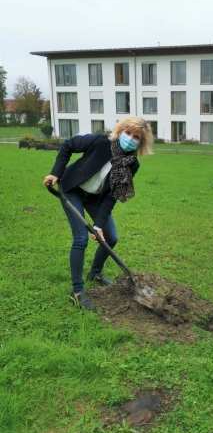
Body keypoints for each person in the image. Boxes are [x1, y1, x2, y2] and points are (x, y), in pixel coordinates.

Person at [44, 117, 153, 310]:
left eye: (136, 137)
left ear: (141, 142)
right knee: (81, 239)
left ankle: (95, 273)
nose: (130, 138)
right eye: (128, 133)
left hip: (95, 198)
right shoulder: (100, 142)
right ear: (120, 131)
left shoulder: (132, 165)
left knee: (110, 237)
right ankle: (77, 292)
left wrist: (99, 225)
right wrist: (56, 173)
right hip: (72, 189)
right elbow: (68, 145)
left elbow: (111, 196)